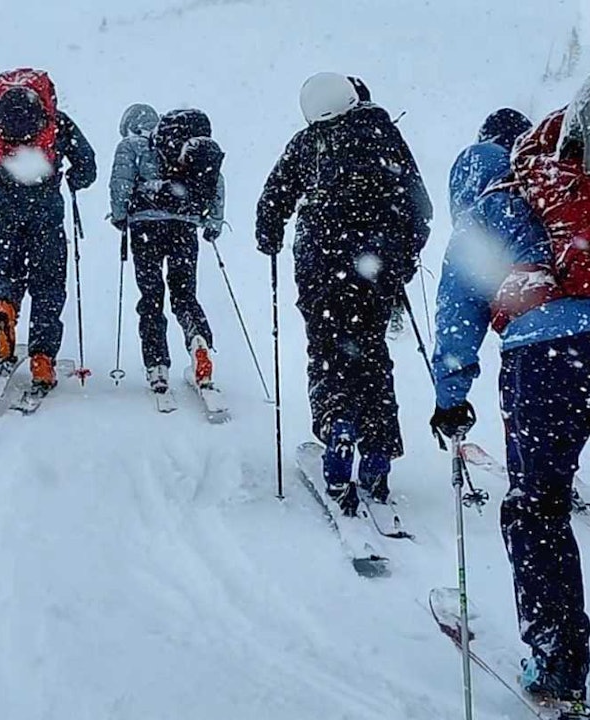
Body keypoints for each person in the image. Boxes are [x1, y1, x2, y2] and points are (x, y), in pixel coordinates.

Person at [430, 103, 588, 708]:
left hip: (546, 360)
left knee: (538, 507)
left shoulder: (489, 208)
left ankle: (559, 664)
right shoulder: (570, 184)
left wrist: (451, 398)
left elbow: (457, 315)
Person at [255, 73, 432, 513]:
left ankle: (338, 431)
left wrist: (269, 234)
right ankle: (377, 454)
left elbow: (273, 198)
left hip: (320, 266)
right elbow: (420, 208)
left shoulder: (308, 142)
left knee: (328, 352)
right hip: (376, 269)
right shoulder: (385, 137)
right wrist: (401, 260)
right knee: (371, 353)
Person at [0, 68, 97, 392]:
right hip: (45, 211)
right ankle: (42, 357)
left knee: (6, 274)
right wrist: (73, 179)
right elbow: (87, 165)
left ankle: (4, 307)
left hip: (1, 211)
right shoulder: (58, 122)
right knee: (48, 284)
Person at [109, 104, 226, 392]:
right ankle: (198, 341)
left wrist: (120, 216)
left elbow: (120, 184)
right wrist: (214, 221)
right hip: (184, 228)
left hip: (145, 229)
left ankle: (157, 366)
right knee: (184, 294)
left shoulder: (132, 146)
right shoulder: (188, 146)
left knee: (151, 297)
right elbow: (216, 181)